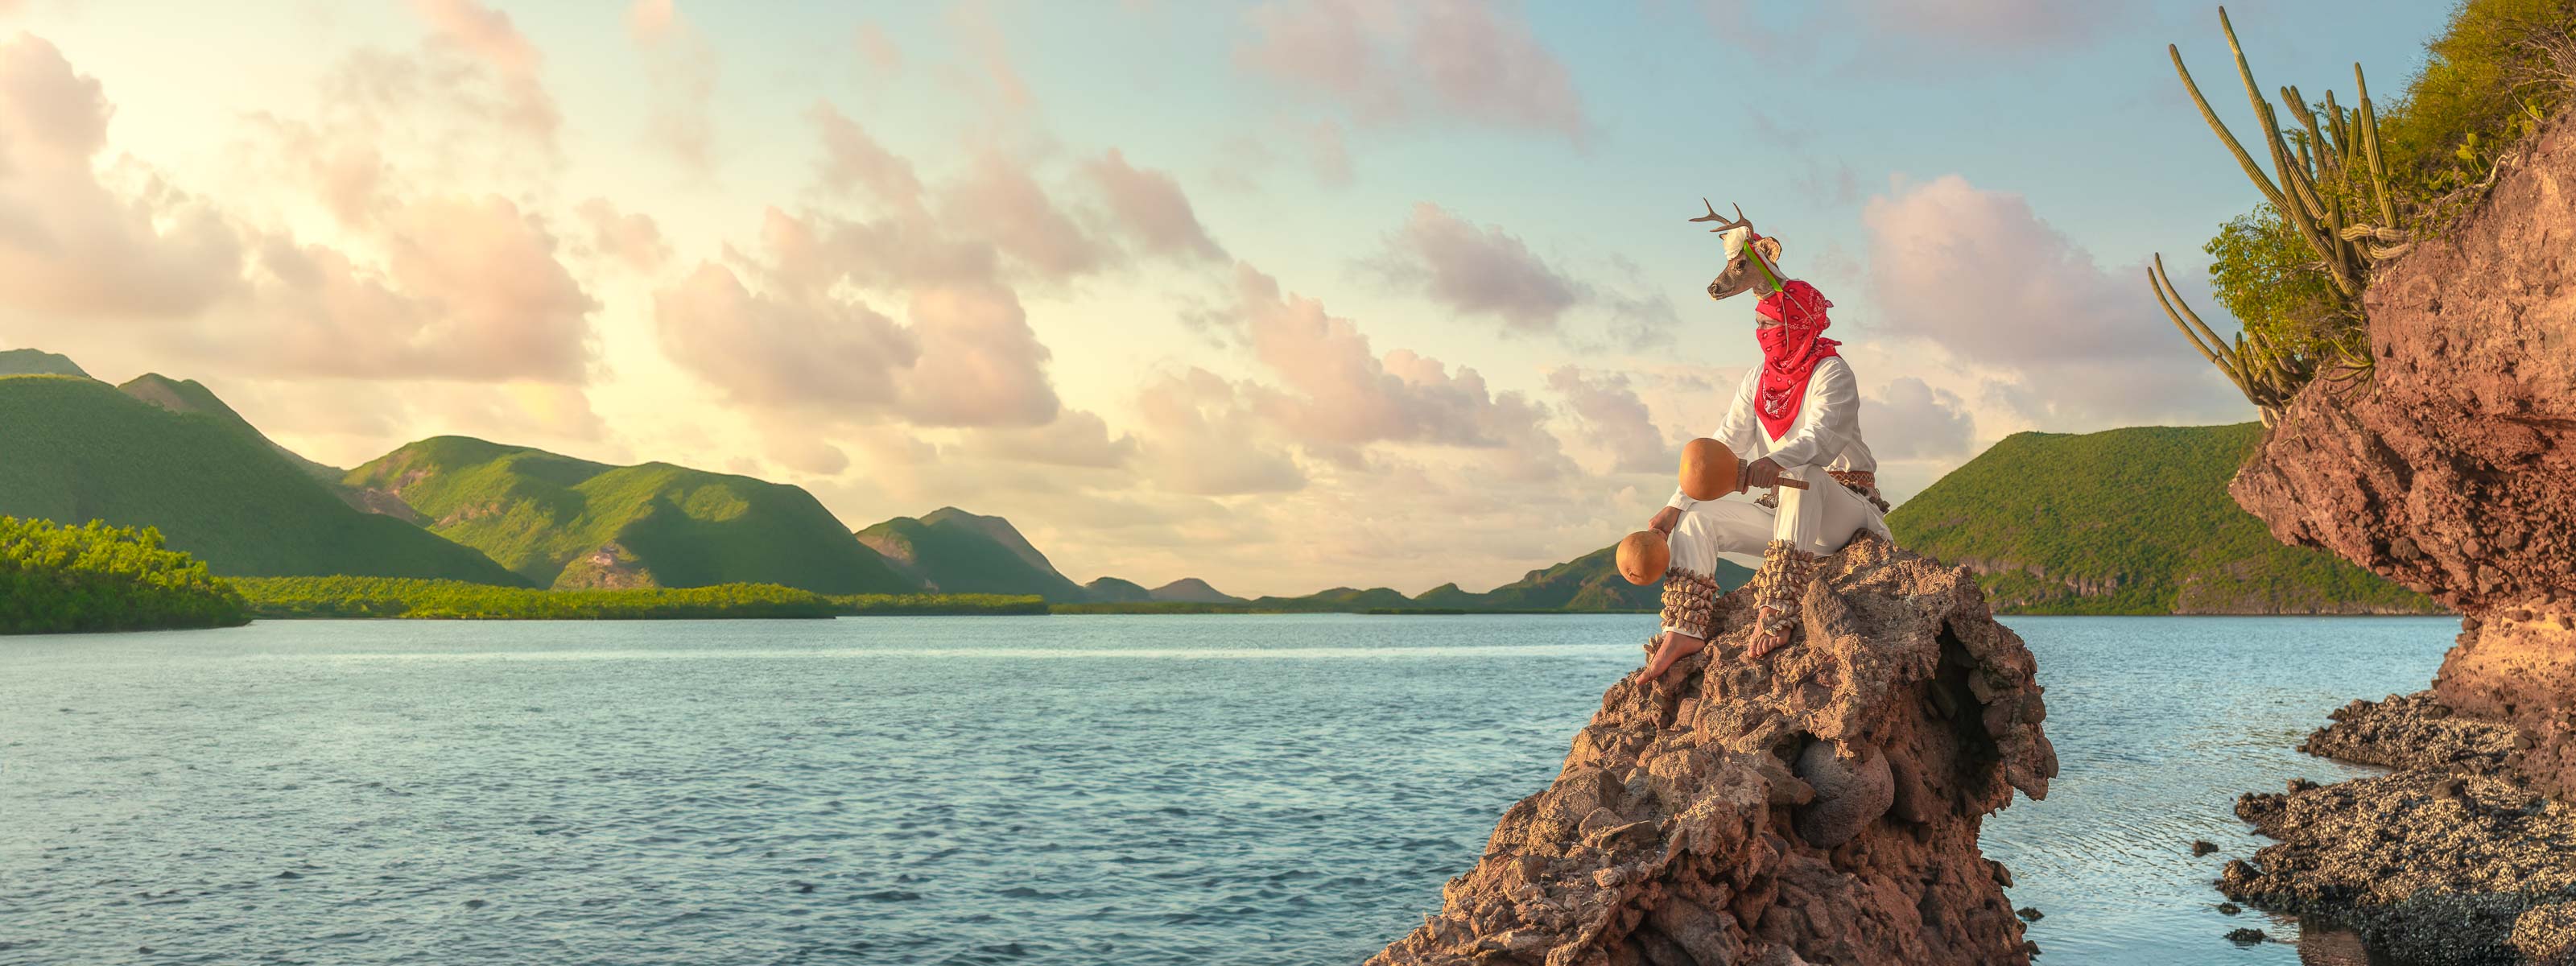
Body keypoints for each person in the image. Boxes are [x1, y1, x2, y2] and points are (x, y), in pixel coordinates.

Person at [1640, 208, 1892, 683]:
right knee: (1697, 521)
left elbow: (1819, 439)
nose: (1765, 335)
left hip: (1846, 516)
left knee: (1806, 476)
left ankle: (1778, 608)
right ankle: (1686, 627)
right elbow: (1724, 443)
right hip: (1788, 522)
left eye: (1773, 326)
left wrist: (1771, 462)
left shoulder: (1832, 373)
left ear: (1798, 325)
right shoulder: (1757, 380)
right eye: (1760, 327)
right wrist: (1674, 507)